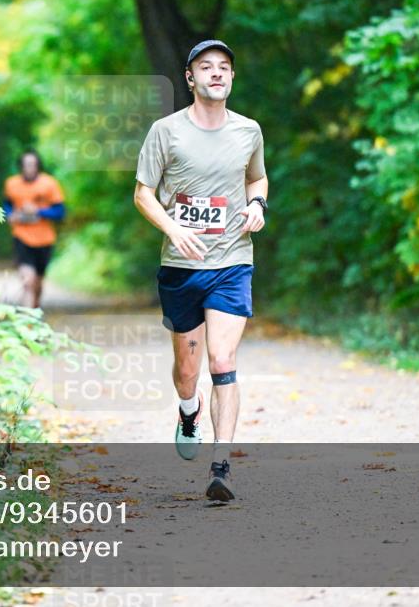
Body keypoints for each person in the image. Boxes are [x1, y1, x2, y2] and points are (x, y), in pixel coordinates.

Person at [133, 40, 268, 502]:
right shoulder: (166, 132)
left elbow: (257, 176)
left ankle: (221, 466)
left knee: (222, 362)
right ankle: (188, 411)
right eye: (206, 67)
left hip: (232, 261)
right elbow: (143, 193)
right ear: (190, 78)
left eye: (224, 67)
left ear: (232, 77)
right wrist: (173, 228)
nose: (216, 73)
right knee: (188, 372)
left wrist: (257, 203)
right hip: (182, 267)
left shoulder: (249, 131)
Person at [3, 150, 66, 308]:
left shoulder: (49, 184)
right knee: (27, 281)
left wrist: (38, 211)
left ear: (38, 166)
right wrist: (10, 215)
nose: (29, 168)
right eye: (25, 165)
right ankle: (28, 323)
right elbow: (7, 205)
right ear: (21, 166)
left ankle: (34, 313)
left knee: (37, 284)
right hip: (21, 237)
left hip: (44, 239)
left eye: (32, 164)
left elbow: (60, 212)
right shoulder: (12, 184)